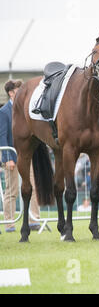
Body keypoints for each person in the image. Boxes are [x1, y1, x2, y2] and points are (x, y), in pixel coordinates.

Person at [1, 80, 41, 233]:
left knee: (32, 188)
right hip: (12, 157)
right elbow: (3, 137)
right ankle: (9, 224)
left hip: (25, 156)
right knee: (11, 192)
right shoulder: (4, 112)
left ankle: (34, 220)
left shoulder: (25, 108)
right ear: (11, 93)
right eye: (18, 89)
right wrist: (7, 158)